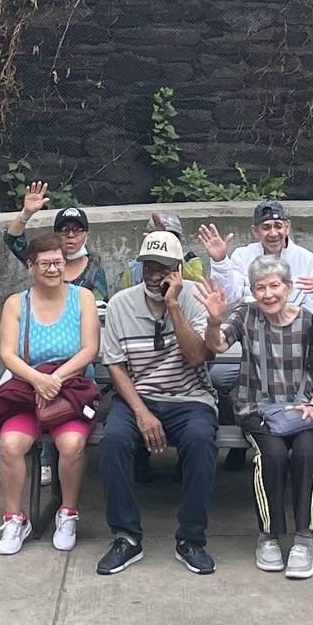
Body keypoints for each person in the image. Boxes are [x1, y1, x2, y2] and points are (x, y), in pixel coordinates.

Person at [91, 228, 222, 576]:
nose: (154, 275)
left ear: (178, 268)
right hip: (139, 397)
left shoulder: (194, 297)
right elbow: (115, 366)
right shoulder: (121, 303)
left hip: (190, 396)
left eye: (163, 267)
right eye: (148, 266)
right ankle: (126, 536)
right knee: (115, 440)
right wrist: (142, 413)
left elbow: (197, 358)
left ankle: (191, 538)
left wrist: (174, 304)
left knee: (200, 440)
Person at [195, 258, 313, 578]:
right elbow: (217, 345)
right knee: (273, 454)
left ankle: (304, 539)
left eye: (274, 286)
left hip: (302, 409)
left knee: (309, 453)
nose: (268, 294)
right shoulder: (246, 315)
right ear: (253, 291)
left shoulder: (308, 321)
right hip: (257, 409)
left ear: (288, 287)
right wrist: (214, 321)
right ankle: (268, 535)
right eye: (260, 288)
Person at [0, 230, 103, 556]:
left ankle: (68, 513)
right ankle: (15, 517)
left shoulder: (83, 298)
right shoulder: (17, 303)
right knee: (10, 444)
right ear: (31, 266)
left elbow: (90, 349)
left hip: (70, 388)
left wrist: (55, 380)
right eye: (45, 263)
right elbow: (8, 354)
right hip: (27, 389)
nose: (52, 269)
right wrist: (38, 380)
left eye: (58, 263)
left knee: (72, 444)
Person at [0, 183, 107, 486]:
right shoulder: (40, 261)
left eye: (76, 230)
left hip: (72, 364)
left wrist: (54, 379)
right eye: (64, 229)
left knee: (64, 422)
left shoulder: (92, 271)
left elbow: (99, 314)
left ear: (85, 234)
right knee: (5, 395)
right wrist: (27, 212)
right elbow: (12, 239)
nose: (70, 235)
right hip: (32, 366)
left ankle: (48, 468)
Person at [198, 202, 313, 307]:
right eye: (266, 227)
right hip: (252, 329)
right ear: (255, 231)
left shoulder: (306, 259)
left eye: (278, 226)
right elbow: (229, 296)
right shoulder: (243, 256)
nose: (273, 234)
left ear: (287, 227)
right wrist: (219, 260)